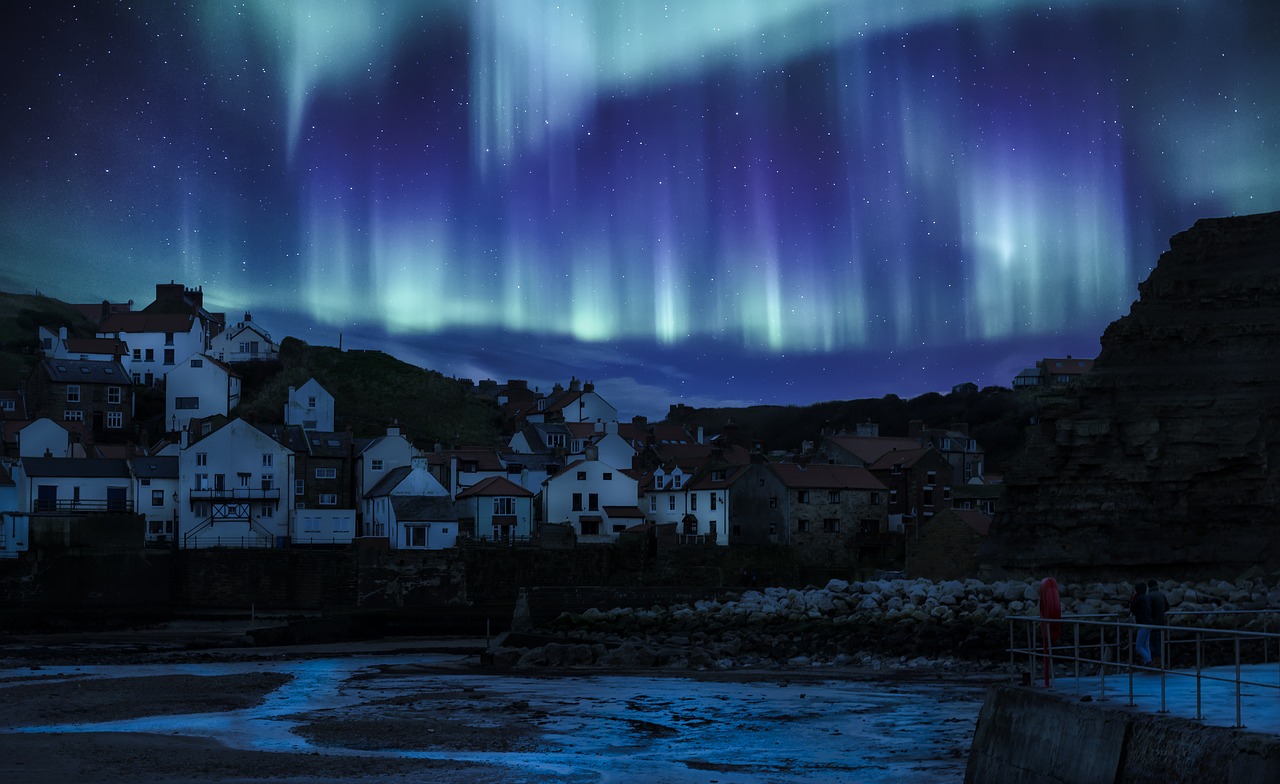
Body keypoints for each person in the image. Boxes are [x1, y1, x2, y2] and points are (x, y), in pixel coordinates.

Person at [1147, 579, 1170, 668]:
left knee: (1153, 643)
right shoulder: (1162, 594)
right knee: (1160, 643)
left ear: (1149, 586)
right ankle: (1161, 662)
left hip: (1153, 624)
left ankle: (1157, 662)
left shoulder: (1149, 596)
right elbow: (1168, 607)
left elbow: (1147, 609)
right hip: (1162, 623)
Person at [1129, 582, 1152, 666]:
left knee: (1139, 646)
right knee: (1146, 644)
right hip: (1149, 623)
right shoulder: (1147, 598)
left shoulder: (1139, 598)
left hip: (1143, 624)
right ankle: (1148, 661)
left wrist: (1133, 598)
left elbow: (1132, 609)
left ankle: (1148, 660)